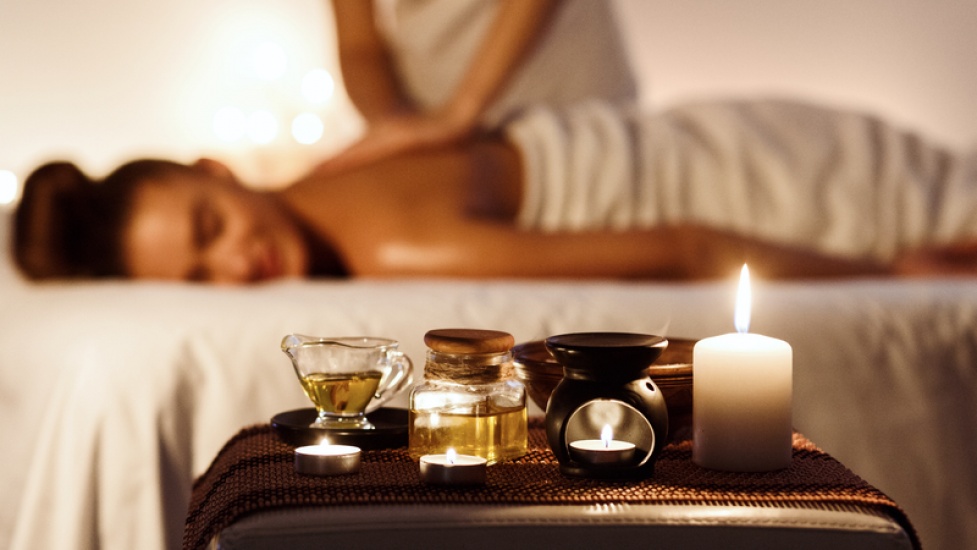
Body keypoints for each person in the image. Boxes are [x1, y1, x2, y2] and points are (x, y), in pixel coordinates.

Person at [13, 97, 977, 284]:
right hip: (729, 128)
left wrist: (883, 267)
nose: (237, 265)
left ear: (216, 172)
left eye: (210, 226)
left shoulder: (389, 251)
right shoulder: (333, 177)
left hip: (762, 182)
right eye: (198, 277)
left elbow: (684, 248)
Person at [319, 0, 637, 174]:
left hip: (572, 105)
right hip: (439, 130)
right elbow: (358, 46)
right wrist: (396, 127)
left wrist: (460, 112)